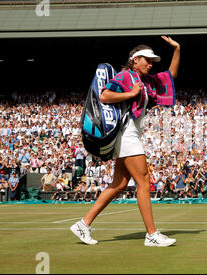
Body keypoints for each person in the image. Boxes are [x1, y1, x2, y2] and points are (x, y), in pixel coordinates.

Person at [71, 36, 180, 247]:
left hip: (133, 133)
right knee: (143, 181)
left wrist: (177, 50)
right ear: (135, 59)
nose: (150, 64)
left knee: (119, 184)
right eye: (146, 60)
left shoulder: (146, 82)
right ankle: (151, 235)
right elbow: (104, 95)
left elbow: (170, 76)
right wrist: (131, 93)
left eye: (152, 61)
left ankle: (83, 224)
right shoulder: (125, 76)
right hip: (126, 132)